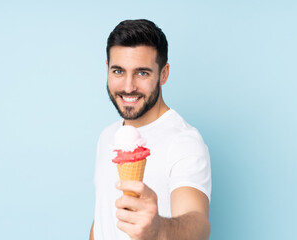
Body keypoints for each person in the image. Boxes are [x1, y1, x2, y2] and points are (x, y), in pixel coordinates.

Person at [90, 19, 211, 240]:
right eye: (118, 71)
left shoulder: (184, 141)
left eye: (142, 73)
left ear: (163, 74)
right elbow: (103, 219)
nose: (128, 87)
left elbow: (198, 225)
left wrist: (159, 229)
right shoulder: (107, 136)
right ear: (107, 68)